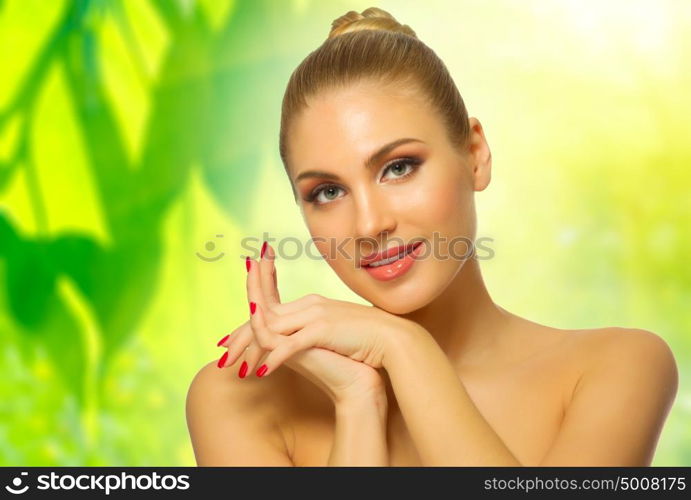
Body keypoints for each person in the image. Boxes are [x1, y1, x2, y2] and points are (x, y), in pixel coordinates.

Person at [185, 7, 678, 466]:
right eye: (328, 191)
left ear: (475, 153)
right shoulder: (239, 397)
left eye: (399, 167)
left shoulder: (617, 369)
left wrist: (404, 348)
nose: (368, 224)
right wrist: (359, 402)